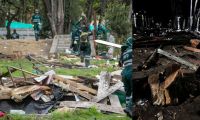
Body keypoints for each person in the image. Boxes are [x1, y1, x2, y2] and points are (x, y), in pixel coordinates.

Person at [119, 37, 133, 117]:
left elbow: (120, 64)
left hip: (124, 73)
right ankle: (130, 108)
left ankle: (127, 110)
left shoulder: (124, 52)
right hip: (131, 72)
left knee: (128, 92)